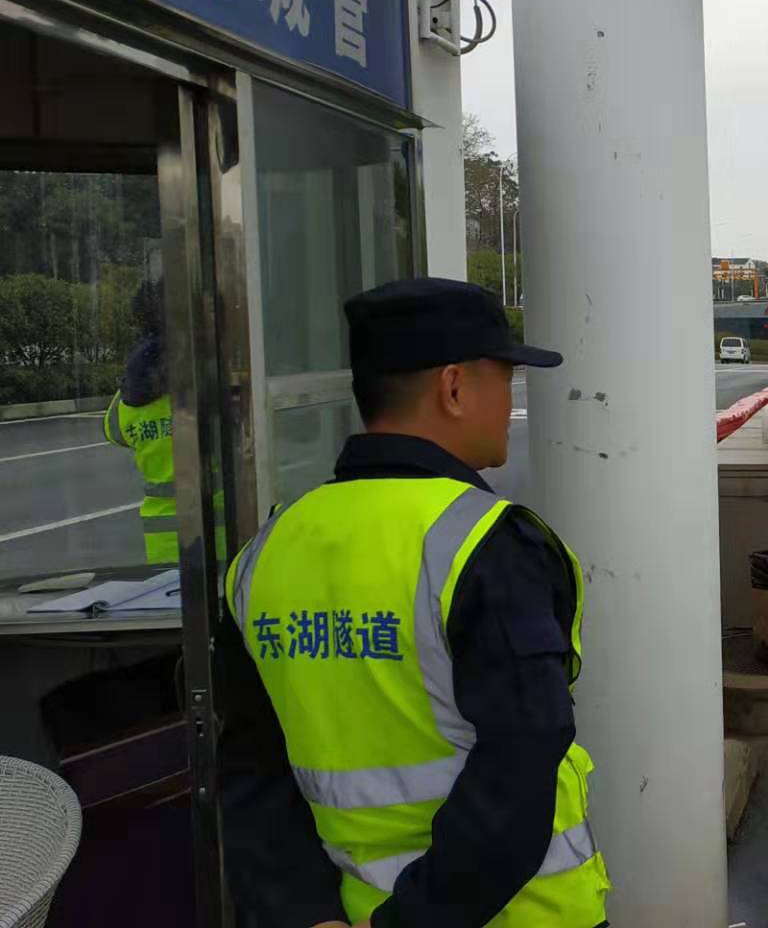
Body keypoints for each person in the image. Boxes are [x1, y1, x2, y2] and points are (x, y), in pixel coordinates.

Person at [216, 278, 610, 928]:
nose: (508, 399)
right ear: (454, 388)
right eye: (502, 378)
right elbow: (520, 763)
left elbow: (252, 771)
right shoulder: (484, 544)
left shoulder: (267, 552)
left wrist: (304, 913)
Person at [103, 280, 177, 565]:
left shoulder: (132, 385)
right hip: (221, 532)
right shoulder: (199, 377)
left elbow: (114, 431)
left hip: (159, 532)